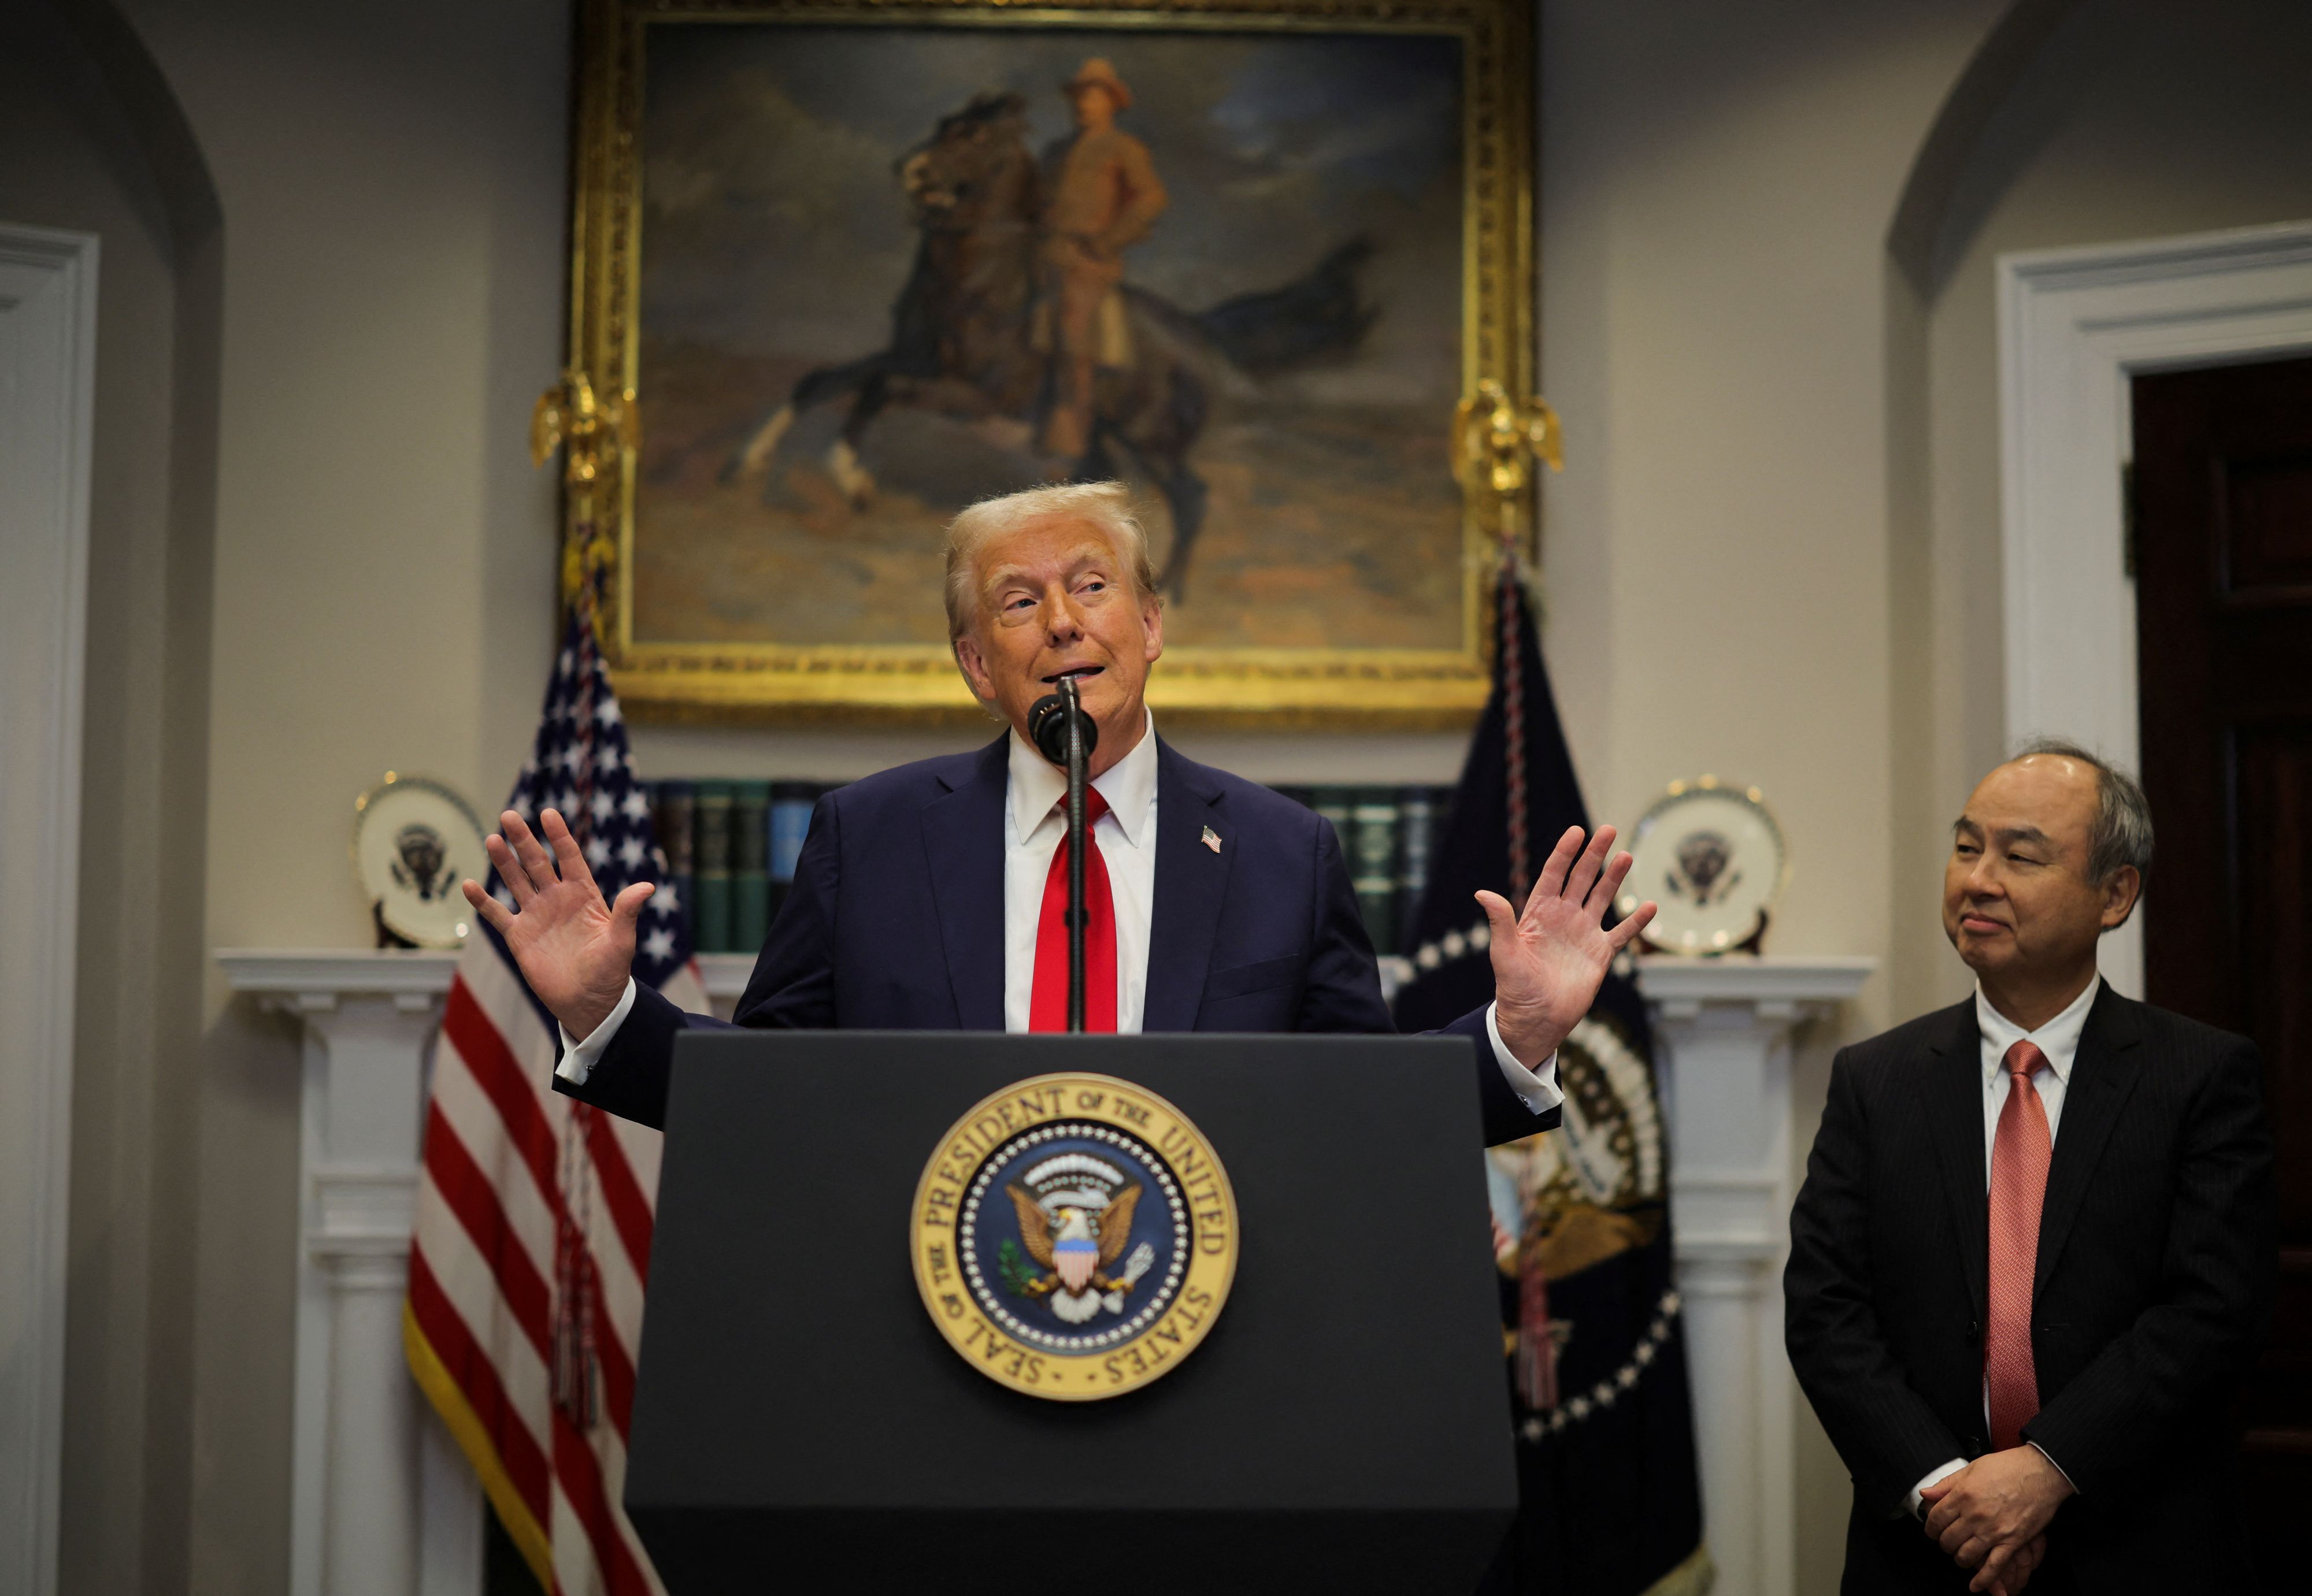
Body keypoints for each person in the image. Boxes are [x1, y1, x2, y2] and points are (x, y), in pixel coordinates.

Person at [462, 481, 1655, 1141]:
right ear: (979, 664)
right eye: (1018, 602)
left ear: (1150, 625)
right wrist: (607, 1014)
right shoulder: (867, 838)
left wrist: (1518, 1037)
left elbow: (1357, 1116)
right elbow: (771, 1101)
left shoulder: (1282, 852)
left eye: (1092, 586)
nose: (1062, 622)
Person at [1784, 743, 2275, 1596]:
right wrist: (1947, 1492)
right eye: (1967, 846)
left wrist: (2047, 1466)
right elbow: (1825, 1310)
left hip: (2140, 1563)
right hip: (1929, 1569)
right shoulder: (1877, 1078)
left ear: (2115, 894)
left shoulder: (2200, 1076)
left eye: (2021, 854)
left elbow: (2210, 1311)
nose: (1979, 878)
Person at [1035, 59, 1165, 459]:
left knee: (1073, 336)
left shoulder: (1124, 148)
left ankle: (1069, 445)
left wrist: (1109, 241)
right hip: (1043, 255)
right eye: (1078, 96)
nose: (1082, 104)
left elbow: (1151, 199)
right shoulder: (1055, 152)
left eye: (1091, 96)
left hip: (1088, 263)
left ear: (1111, 102)